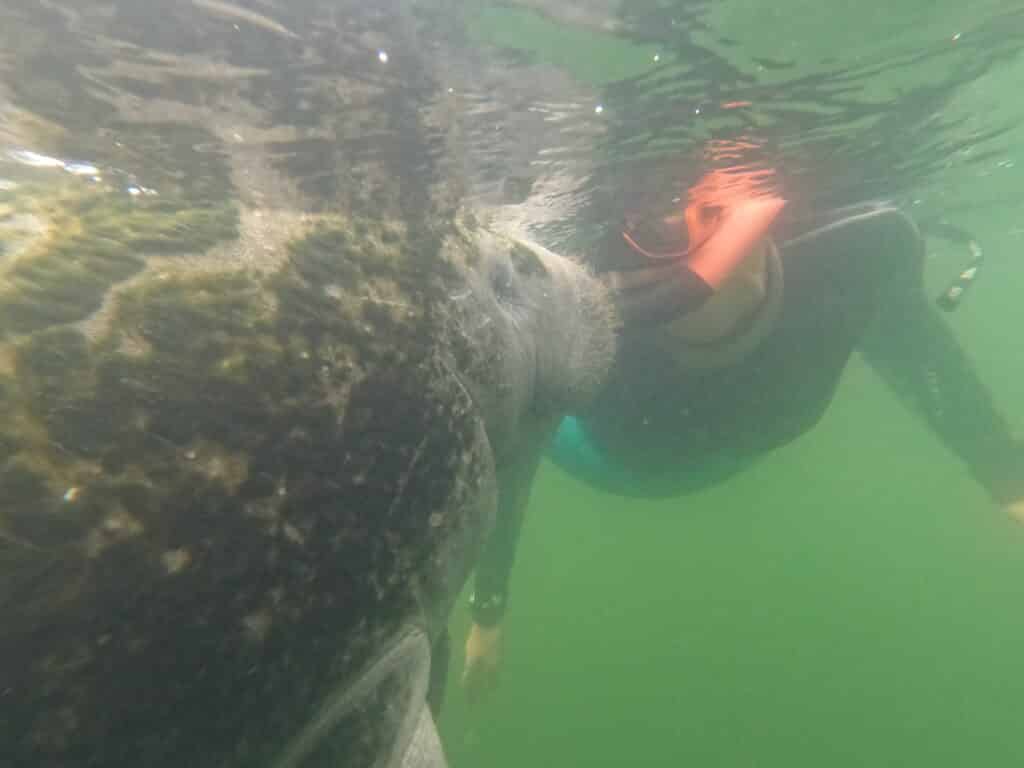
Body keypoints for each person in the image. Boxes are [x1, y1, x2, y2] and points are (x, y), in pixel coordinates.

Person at [460, 155, 1024, 702]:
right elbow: (524, 442)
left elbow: (917, 348)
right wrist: (489, 608)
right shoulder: (593, 332)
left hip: (727, 441)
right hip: (615, 461)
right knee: (529, 392)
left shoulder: (848, 259)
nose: (725, 222)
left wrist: (1006, 477)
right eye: (679, 216)